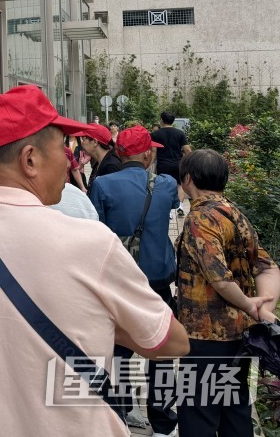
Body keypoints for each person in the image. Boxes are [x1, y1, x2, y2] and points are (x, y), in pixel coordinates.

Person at [0, 85, 190, 436]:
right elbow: (173, 343)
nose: (69, 160)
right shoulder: (91, 242)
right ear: (30, 159)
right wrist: (102, 326)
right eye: (61, 148)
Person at [175, 149, 279, 437]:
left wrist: (248, 304)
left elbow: (219, 279)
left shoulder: (200, 218)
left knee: (198, 412)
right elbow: (268, 268)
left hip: (206, 335)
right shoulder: (235, 214)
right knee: (234, 409)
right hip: (240, 336)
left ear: (187, 178)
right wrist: (261, 308)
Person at [89, 125, 180, 435]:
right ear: (147, 154)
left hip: (120, 284)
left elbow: (98, 231)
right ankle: (163, 424)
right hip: (157, 283)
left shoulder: (102, 185)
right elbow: (173, 207)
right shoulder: (166, 184)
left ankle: (121, 412)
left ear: (119, 152)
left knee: (118, 353)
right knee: (162, 353)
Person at [150, 111, 192, 180]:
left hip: (163, 166)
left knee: (164, 184)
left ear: (161, 120)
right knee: (178, 185)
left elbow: (153, 152)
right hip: (178, 165)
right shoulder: (180, 133)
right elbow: (188, 150)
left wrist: (149, 165)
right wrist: (188, 164)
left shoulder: (154, 134)